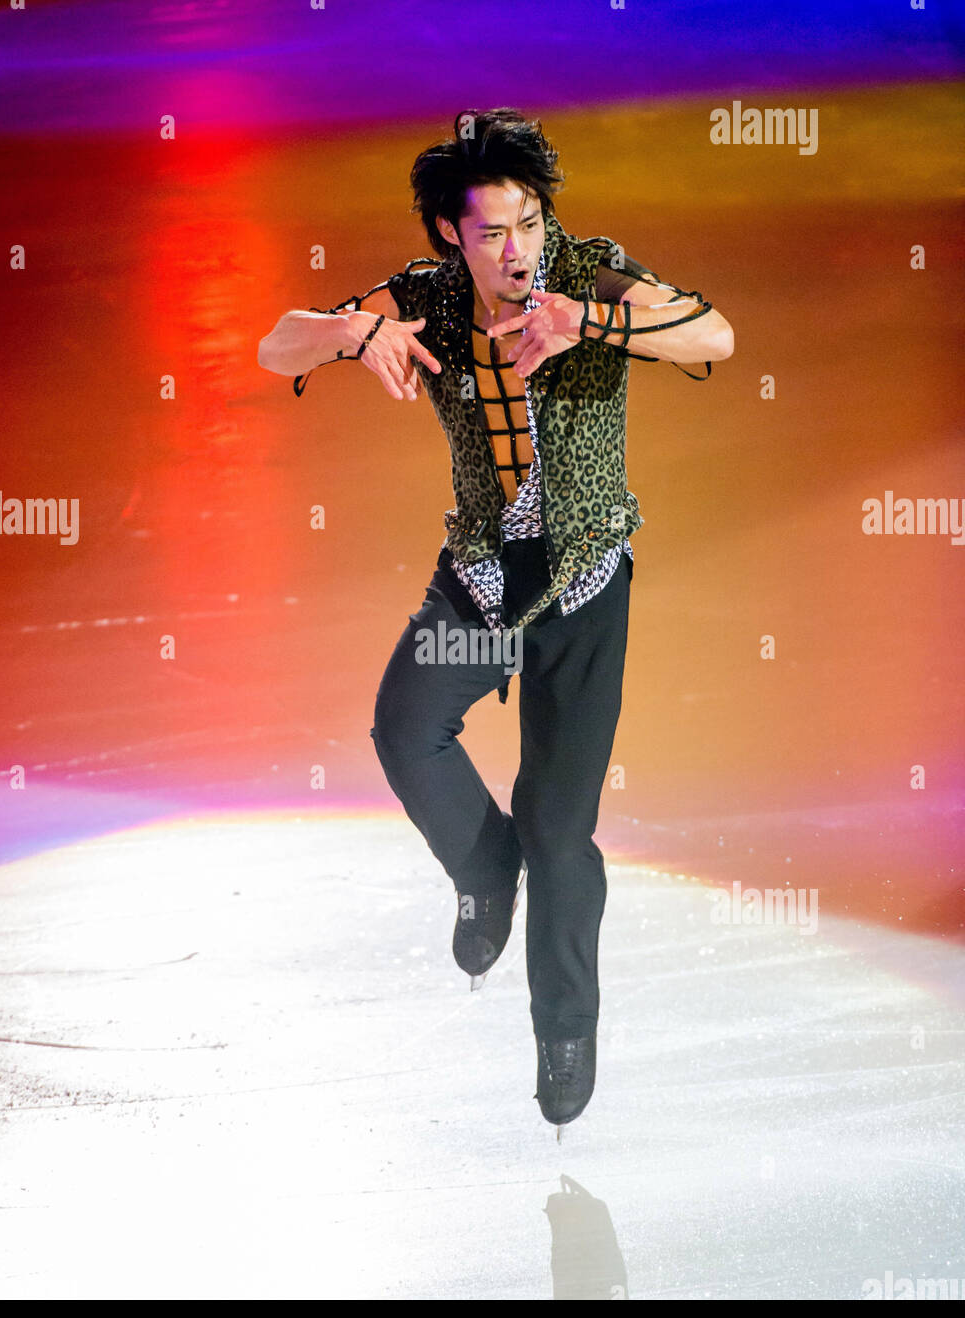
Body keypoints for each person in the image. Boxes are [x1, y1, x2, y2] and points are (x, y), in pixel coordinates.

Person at [258, 108, 733, 1136]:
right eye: (490, 232)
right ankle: (482, 869)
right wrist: (353, 329)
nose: (515, 251)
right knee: (403, 727)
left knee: (560, 830)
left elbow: (714, 333)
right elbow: (274, 343)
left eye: (526, 222)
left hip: (582, 586)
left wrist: (592, 323)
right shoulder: (420, 299)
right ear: (447, 235)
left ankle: (564, 1025)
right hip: (479, 579)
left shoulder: (589, 272)